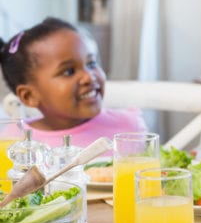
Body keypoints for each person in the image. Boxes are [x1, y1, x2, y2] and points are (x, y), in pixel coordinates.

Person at [0, 17, 147, 147]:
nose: (89, 77)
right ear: (29, 96)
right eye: (69, 71)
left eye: (91, 63)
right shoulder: (14, 142)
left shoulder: (128, 127)